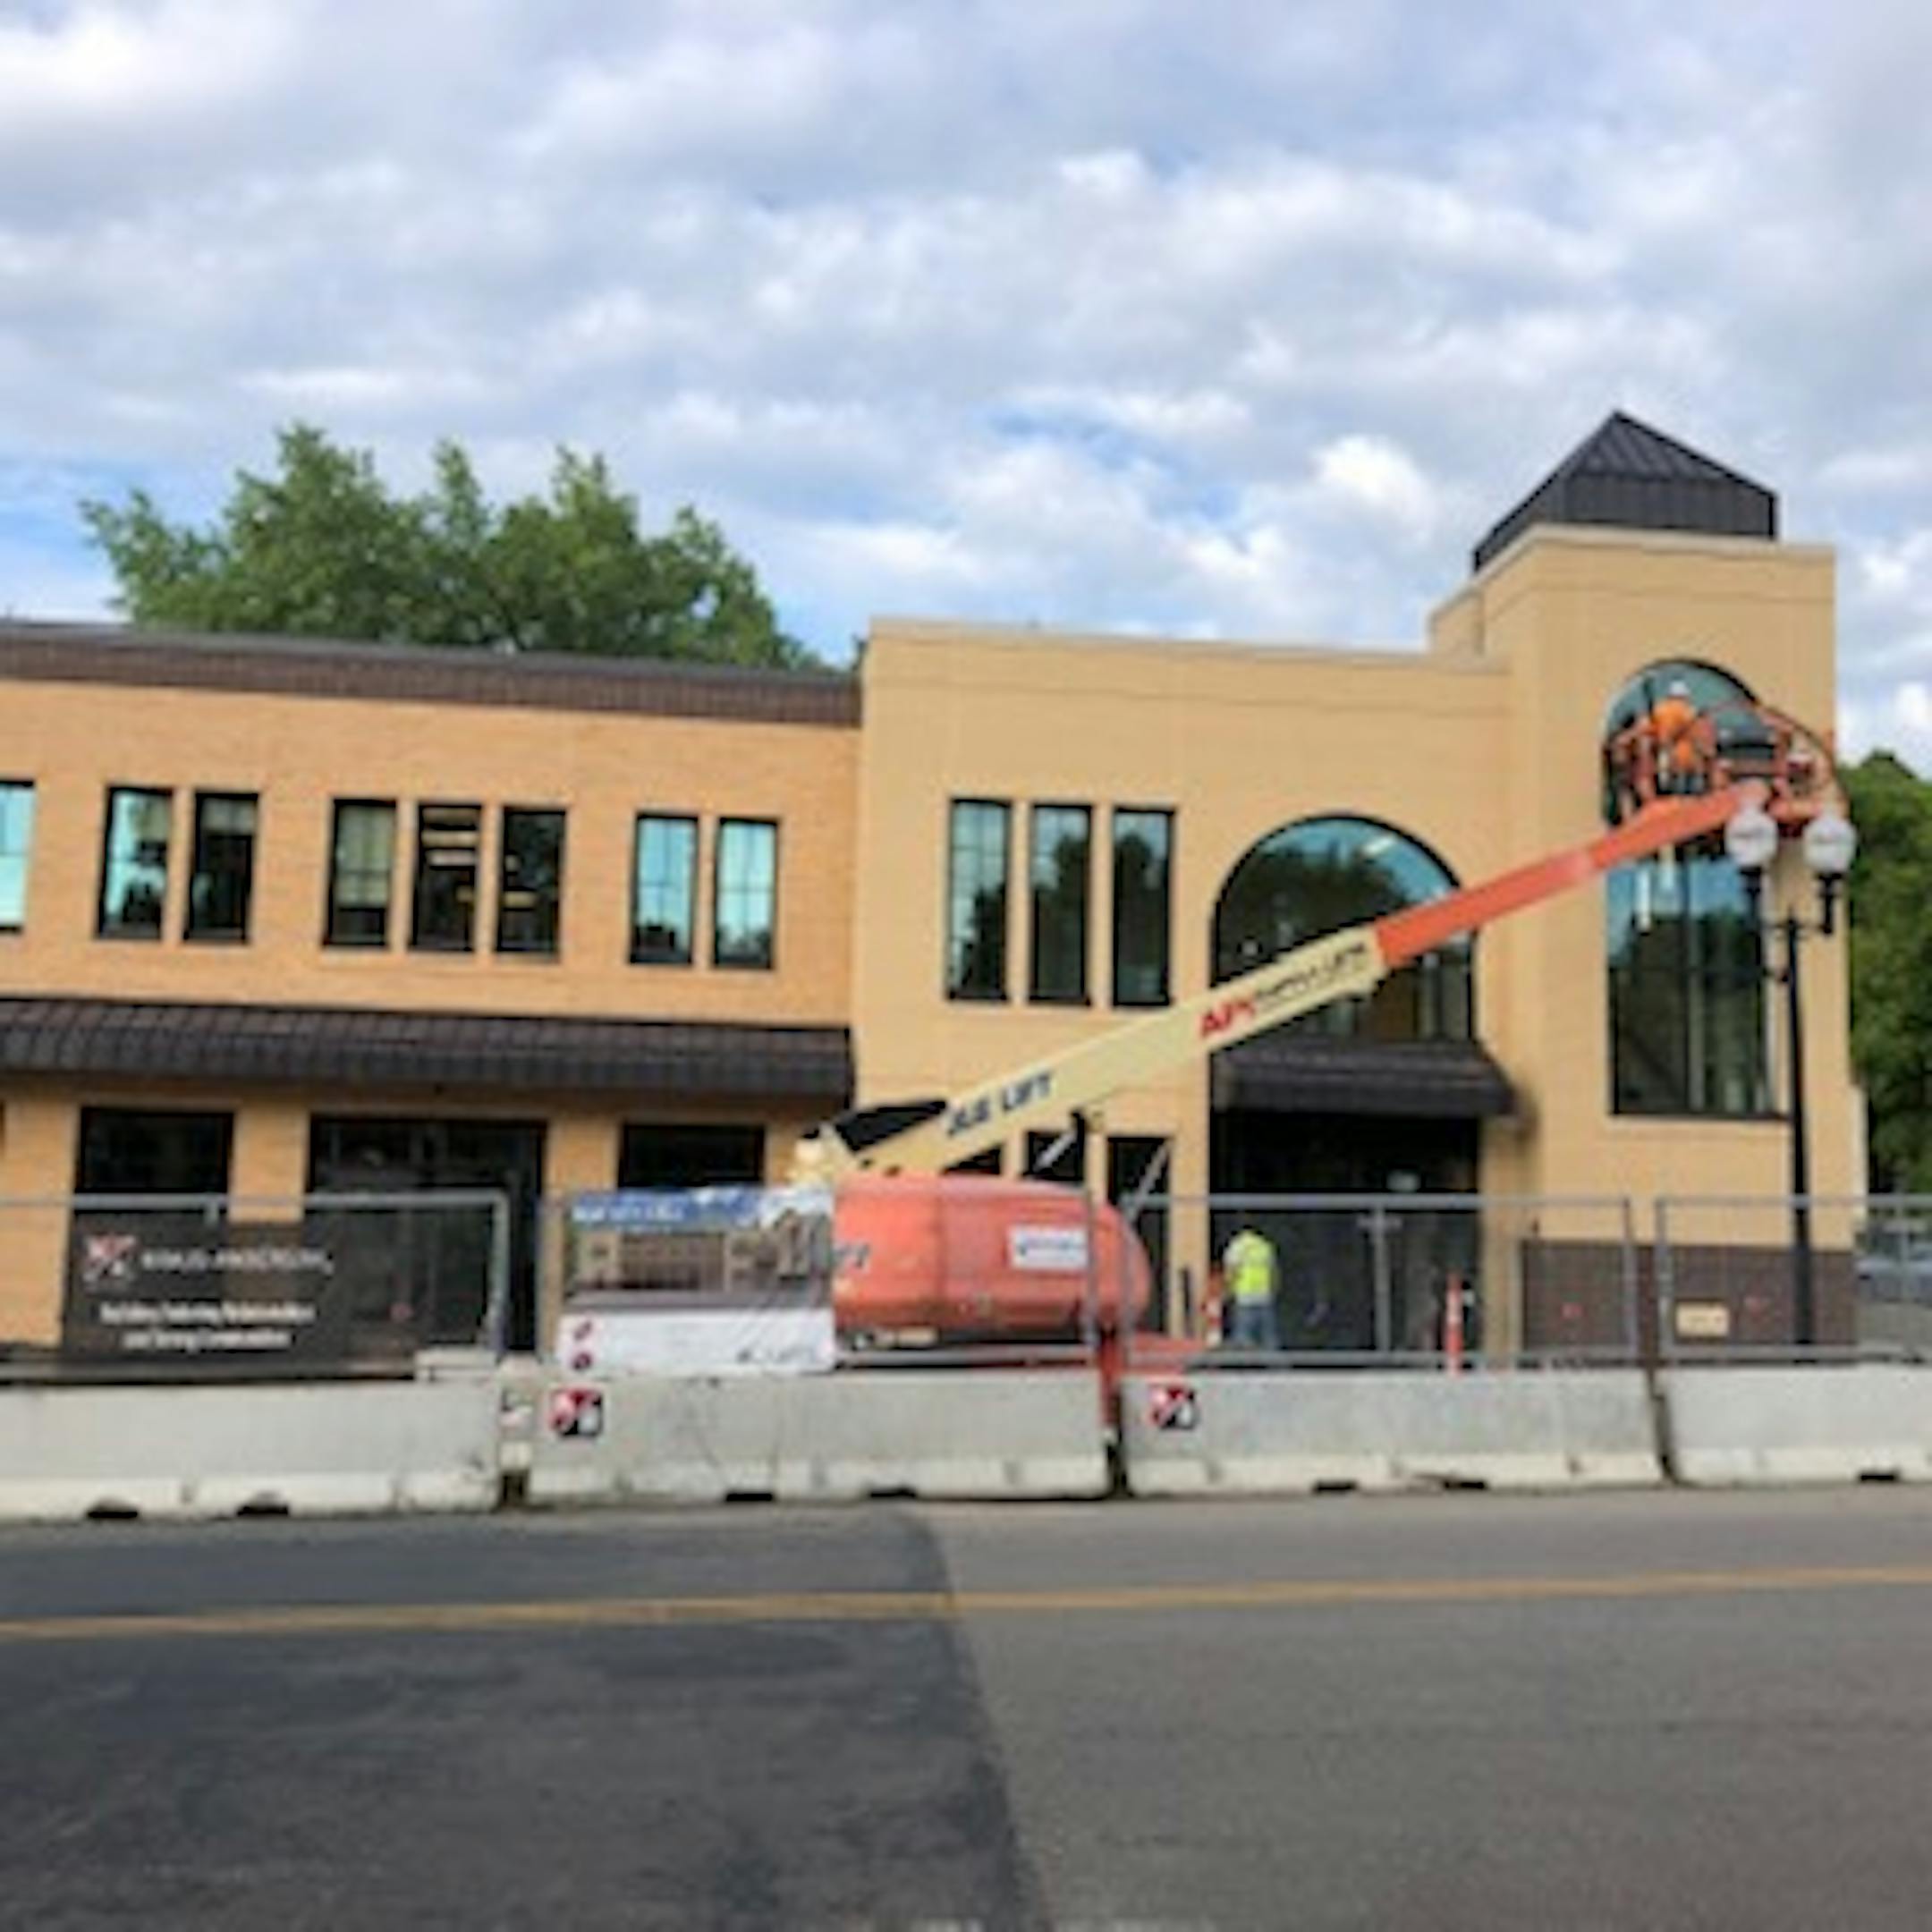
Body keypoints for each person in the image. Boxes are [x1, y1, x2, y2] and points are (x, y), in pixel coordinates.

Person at [1221, 1224, 1280, 1351]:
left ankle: (1247, 1360)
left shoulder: (1237, 1246)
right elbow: (1273, 1272)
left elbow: (1232, 1271)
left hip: (1245, 1296)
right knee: (1268, 1335)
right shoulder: (1264, 1246)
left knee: (1244, 1334)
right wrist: (1273, 1290)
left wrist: (1227, 1291)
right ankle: (1273, 1360)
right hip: (1264, 1295)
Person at [1648, 680, 1703, 794]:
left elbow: (1651, 728)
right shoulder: (1687, 709)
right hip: (1682, 751)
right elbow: (1694, 731)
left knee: (1665, 780)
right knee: (1684, 782)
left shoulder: (1659, 709)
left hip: (1662, 749)